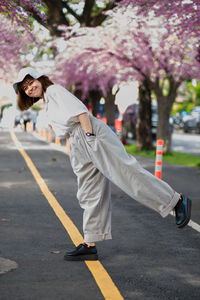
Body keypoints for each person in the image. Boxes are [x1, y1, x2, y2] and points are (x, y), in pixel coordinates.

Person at [13, 67, 192, 261]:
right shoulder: (46, 101)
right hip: (77, 142)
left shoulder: (54, 91)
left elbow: (80, 111)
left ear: (39, 78)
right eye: (25, 87)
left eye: (31, 82)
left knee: (128, 174)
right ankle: (90, 242)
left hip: (88, 133)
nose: (30, 88)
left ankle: (176, 201)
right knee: (89, 192)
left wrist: (90, 137)